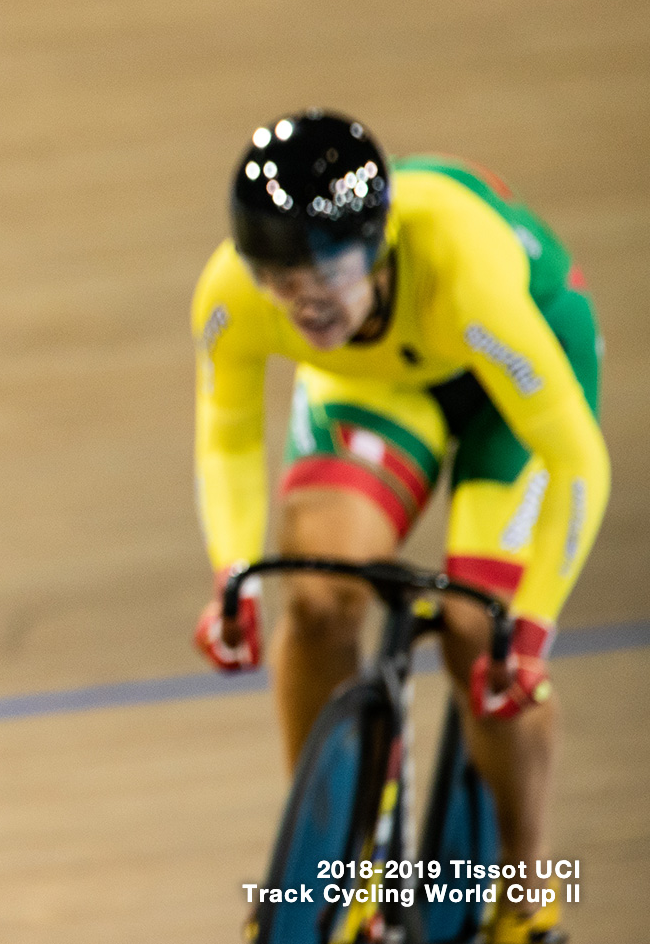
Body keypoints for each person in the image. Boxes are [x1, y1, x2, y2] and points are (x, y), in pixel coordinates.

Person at [189, 109, 606, 944]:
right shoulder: (237, 295)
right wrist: (231, 575)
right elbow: (227, 435)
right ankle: (339, 867)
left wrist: (531, 626)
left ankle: (527, 894)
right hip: (381, 381)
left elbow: (576, 460)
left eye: (328, 268)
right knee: (314, 599)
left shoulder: (466, 273)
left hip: (507, 386)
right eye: (278, 277)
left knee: (476, 633)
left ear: (375, 247)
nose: (305, 299)